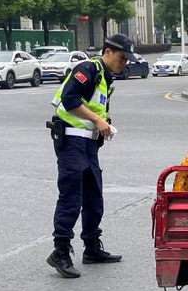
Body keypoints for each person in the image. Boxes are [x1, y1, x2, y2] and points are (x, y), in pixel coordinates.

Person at [46, 33, 132, 277]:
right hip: (71, 141)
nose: (123, 62)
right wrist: (96, 119)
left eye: (127, 59)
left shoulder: (104, 77)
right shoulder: (88, 67)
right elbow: (69, 99)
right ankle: (60, 251)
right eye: (121, 57)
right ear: (107, 51)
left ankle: (92, 247)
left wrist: (103, 124)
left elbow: (92, 107)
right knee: (71, 197)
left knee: (94, 197)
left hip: (89, 144)